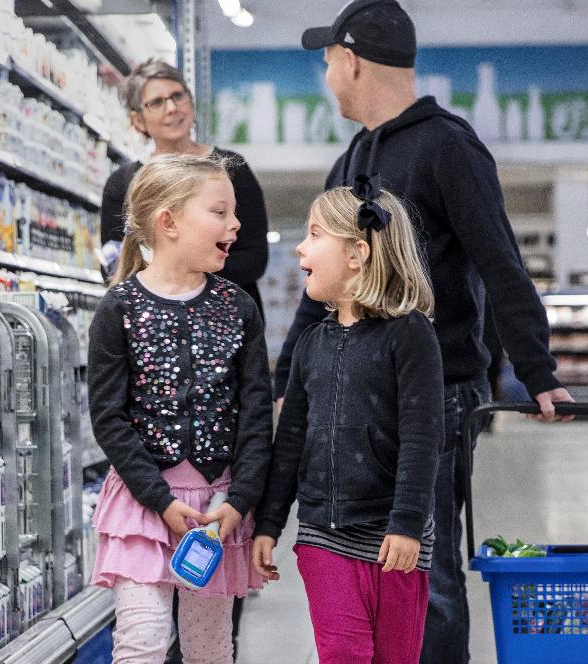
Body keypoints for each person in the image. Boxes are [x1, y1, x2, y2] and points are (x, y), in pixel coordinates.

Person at [277, 2, 576, 662]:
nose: (327, 78)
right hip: (352, 395)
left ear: (351, 60)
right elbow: (322, 291)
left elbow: (499, 261)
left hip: (434, 393)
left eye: (328, 63)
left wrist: (538, 371)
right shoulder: (350, 161)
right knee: (360, 561)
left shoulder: (448, 146)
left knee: (427, 571)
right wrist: (285, 382)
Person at [87, 154, 273, 664]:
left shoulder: (238, 308)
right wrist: (159, 498)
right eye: (219, 212)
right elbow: (108, 416)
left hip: (217, 509)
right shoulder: (118, 308)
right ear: (168, 222)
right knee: (140, 642)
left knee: (210, 649)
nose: (236, 224)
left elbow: (256, 415)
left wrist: (240, 501)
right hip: (143, 507)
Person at [253, 184, 443, 664]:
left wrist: (407, 524)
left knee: (395, 657)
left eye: (314, 234)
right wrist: (269, 523)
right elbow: (290, 441)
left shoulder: (410, 333)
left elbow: (423, 440)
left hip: (394, 539)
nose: (300, 247)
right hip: (324, 536)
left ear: (357, 253)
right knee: (343, 652)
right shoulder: (310, 345)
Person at [101, 59, 269, 315]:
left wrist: (184, 272)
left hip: (227, 318)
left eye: (177, 96)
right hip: (149, 323)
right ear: (137, 120)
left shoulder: (231, 168)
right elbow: (113, 261)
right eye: (156, 102)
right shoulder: (123, 183)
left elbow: (255, 257)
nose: (171, 107)